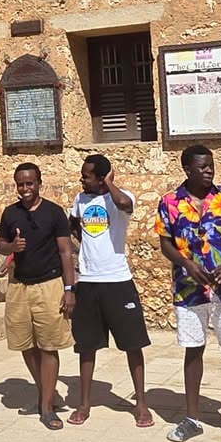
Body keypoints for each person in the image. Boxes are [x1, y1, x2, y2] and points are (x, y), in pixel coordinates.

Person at [156, 144, 221, 442]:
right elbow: (165, 243)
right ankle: (192, 419)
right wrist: (187, 264)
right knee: (193, 350)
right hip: (189, 289)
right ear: (187, 169)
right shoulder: (170, 202)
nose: (209, 171)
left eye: (211, 165)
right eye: (202, 167)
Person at [67, 154, 151, 427]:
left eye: (87, 176)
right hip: (88, 282)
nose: (81, 179)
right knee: (86, 346)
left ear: (102, 178)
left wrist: (110, 184)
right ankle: (84, 404)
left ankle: (141, 404)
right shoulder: (80, 200)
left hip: (118, 281)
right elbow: (74, 226)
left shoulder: (120, 197)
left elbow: (125, 205)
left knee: (132, 344)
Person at [0, 162, 76, 431]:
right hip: (19, 287)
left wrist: (69, 289)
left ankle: (46, 408)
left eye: (29, 183)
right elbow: (1, 244)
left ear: (39, 183)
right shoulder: (11, 214)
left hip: (49, 285)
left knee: (48, 346)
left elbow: (65, 252)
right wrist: (12, 246)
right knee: (25, 344)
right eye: (20, 184)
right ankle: (47, 394)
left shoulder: (54, 213)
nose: (25, 189)